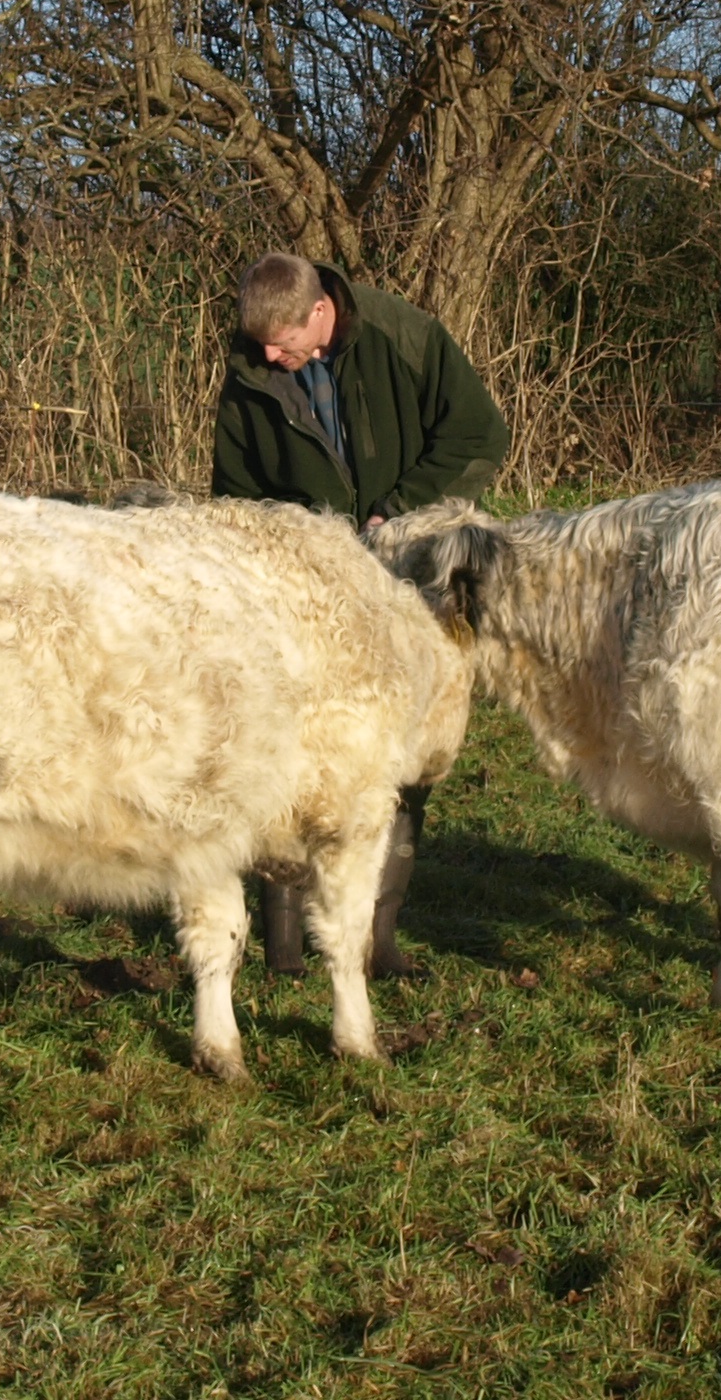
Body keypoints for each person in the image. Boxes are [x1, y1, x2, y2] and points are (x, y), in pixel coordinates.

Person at [214, 253, 510, 979]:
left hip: (408, 574)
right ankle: (284, 949)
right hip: (303, 589)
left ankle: (378, 942)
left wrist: (399, 510)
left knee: (401, 755)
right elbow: (234, 490)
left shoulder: (405, 338)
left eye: (283, 341)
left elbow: (480, 435)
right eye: (262, 346)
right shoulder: (253, 367)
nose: (270, 356)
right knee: (289, 750)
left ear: (321, 312)